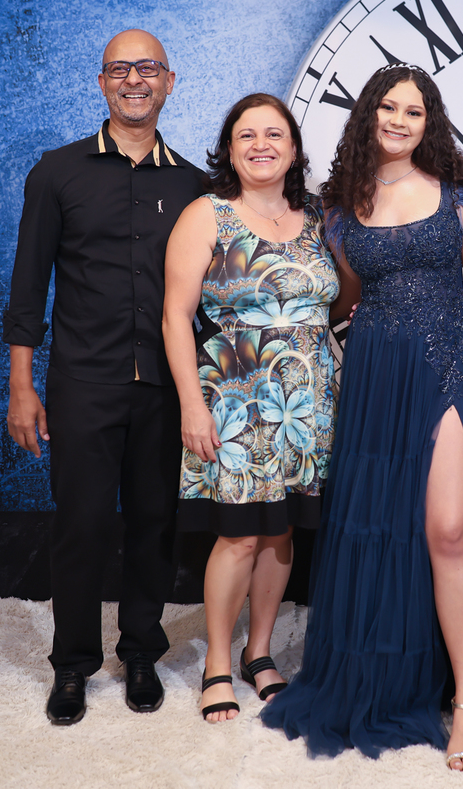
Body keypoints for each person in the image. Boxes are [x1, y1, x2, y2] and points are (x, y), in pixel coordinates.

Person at [261, 64, 463, 771]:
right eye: (388, 107)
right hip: (376, 371)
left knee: (450, 529)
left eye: (414, 110)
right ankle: (386, 680)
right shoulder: (339, 206)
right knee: (378, 528)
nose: (399, 120)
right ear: (368, 115)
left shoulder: (460, 195)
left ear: (429, 121)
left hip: (445, 366)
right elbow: (345, 296)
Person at [3, 29, 205, 725]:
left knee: (155, 523)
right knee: (81, 524)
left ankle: (141, 652)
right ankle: (72, 664)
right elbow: (28, 286)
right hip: (83, 381)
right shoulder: (56, 173)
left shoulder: (195, 186)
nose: (134, 80)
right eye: (120, 69)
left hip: (165, 387)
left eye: (147, 68)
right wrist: (22, 386)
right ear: (101, 82)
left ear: (169, 82)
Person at [163, 94, 338, 722]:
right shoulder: (207, 214)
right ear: (229, 150)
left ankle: (258, 653)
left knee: (282, 529)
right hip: (237, 396)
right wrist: (192, 405)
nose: (261, 145)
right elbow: (176, 317)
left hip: (309, 401)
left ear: (293, 149)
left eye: (274, 134)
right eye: (247, 136)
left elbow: (342, 296)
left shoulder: (319, 217)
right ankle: (217, 660)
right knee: (238, 535)